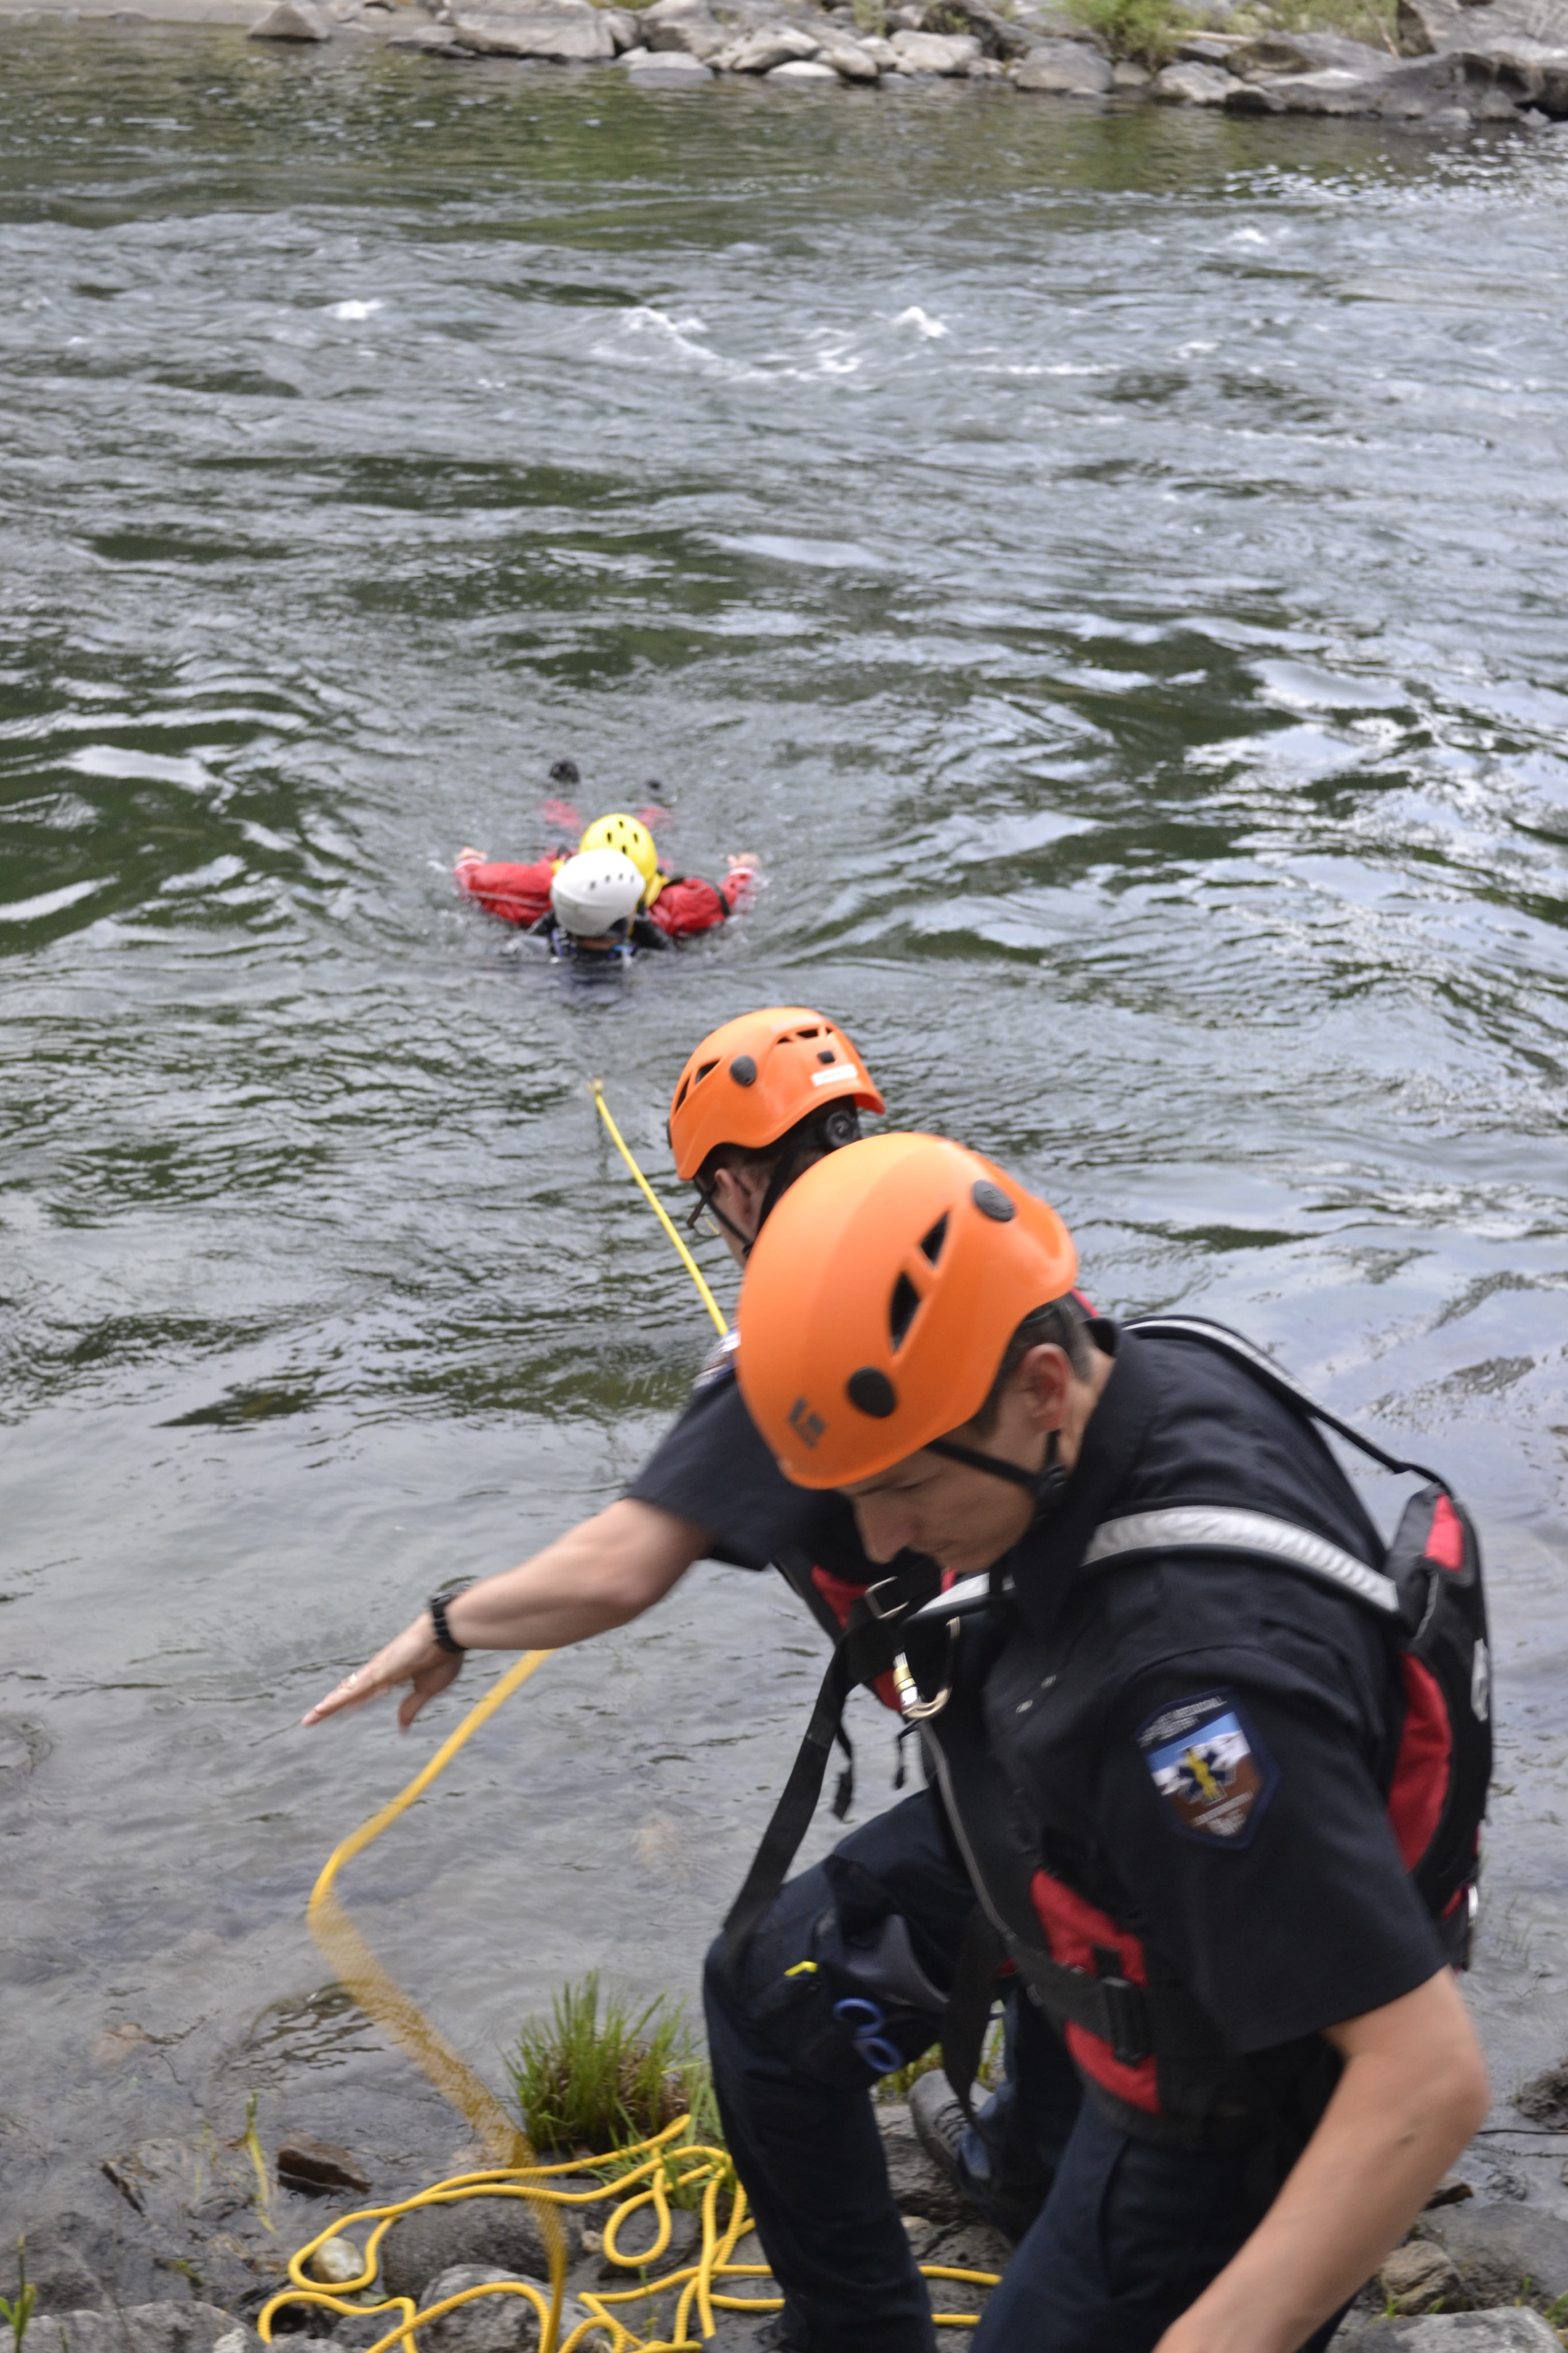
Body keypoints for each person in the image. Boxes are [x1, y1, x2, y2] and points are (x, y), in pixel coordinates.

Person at [721, 1129, 1493, 2353]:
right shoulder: (1158, 1364)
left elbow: (1421, 2079)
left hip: (1220, 2120)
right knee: (764, 1993)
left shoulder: (1189, 1694)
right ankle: (1025, 2150)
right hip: (1145, 1909)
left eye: (906, 1486)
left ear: (1037, 1386)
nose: (879, 1540)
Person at [454, 808, 759, 949]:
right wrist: (744, 870)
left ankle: (560, 802)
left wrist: (469, 861)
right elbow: (734, 896)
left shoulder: (538, 889)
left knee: (555, 836)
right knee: (662, 843)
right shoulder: (682, 906)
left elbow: (478, 883)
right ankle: (657, 809)